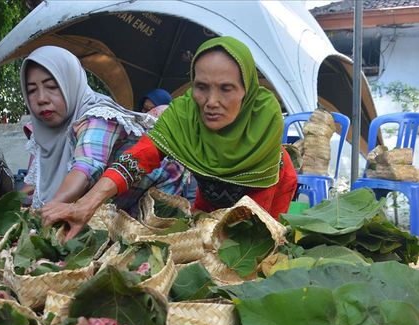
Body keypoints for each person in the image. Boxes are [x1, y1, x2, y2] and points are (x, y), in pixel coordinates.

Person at [40, 36, 297, 236]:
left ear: (247, 90)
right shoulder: (185, 113)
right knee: (199, 241)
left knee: (254, 250)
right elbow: (138, 158)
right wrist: (84, 205)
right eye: (202, 87)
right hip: (209, 195)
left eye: (226, 88)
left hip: (269, 191)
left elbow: (256, 215)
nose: (211, 102)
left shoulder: (264, 118)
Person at [20, 46, 193, 214]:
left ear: (70, 83)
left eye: (51, 86)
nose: (41, 99)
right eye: (32, 90)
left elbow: (85, 168)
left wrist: (47, 212)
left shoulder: (98, 116)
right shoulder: (44, 135)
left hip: (159, 193)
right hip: (109, 199)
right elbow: (41, 185)